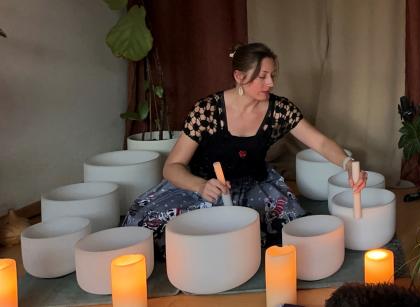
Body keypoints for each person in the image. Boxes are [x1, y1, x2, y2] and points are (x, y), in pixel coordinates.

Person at [123, 43, 366, 255]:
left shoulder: (280, 109)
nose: (270, 83)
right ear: (239, 77)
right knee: (151, 228)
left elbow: (321, 142)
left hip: (254, 184)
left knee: (290, 231)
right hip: (204, 186)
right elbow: (172, 167)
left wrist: (347, 164)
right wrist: (200, 186)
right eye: (262, 76)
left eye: (272, 75)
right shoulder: (207, 110)